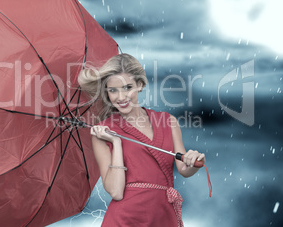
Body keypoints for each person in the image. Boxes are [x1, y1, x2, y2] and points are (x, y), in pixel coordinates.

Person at [78, 53, 205, 227]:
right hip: (124, 220)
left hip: (163, 216)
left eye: (127, 87)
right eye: (113, 90)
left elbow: (183, 169)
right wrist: (116, 142)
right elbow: (116, 192)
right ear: (106, 92)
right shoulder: (103, 132)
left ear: (140, 84)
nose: (121, 97)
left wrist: (194, 161)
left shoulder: (168, 121)